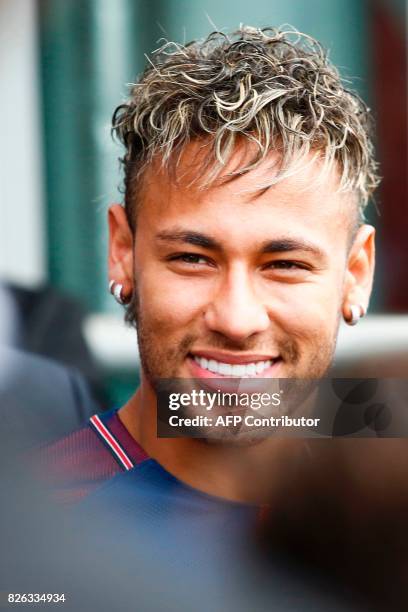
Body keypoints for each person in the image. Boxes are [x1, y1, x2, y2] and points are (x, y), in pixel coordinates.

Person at [41, 25, 379, 505]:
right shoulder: (25, 530)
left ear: (356, 274)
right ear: (123, 253)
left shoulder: (384, 513)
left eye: (284, 265)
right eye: (193, 259)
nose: (237, 320)